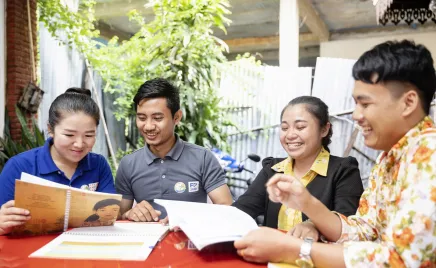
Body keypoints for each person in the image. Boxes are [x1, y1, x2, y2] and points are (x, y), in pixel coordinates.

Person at [234, 40, 436, 267]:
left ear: (408, 103)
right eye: (355, 104)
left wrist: (295, 250)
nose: (356, 115)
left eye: (365, 104)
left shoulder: (429, 155)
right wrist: (307, 202)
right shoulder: (389, 158)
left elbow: (403, 261)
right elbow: (364, 229)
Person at [233, 96, 364, 238]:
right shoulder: (272, 169)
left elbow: (349, 223)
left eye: (300, 127)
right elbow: (241, 211)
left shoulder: (343, 170)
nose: (290, 135)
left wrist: (315, 225)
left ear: (324, 130)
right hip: (272, 256)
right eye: (284, 128)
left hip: (318, 258)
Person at [0, 88, 116, 236]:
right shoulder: (19, 166)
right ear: (51, 129)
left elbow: (109, 215)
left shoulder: (98, 165)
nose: (79, 144)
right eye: (69, 135)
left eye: (88, 135)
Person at [116, 78, 232, 222]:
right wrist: (129, 214)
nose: (148, 126)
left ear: (176, 117)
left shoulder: (202, 158)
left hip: (190, 241)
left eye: (157, 118)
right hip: (145, 241)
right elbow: (118, 214)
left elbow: (226, 206)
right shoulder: (128, 164)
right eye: (142, 118)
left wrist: (186, 219)